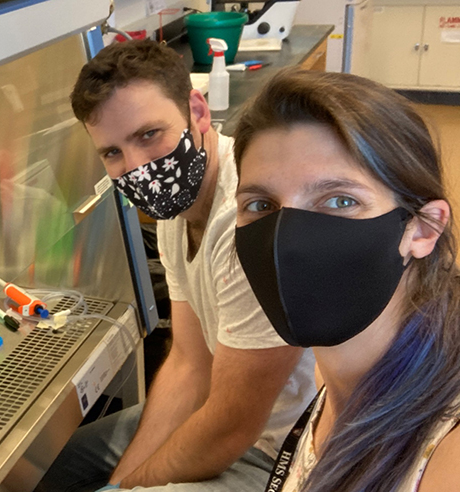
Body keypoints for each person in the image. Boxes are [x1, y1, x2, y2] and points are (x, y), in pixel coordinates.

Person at [36, 39, 316, 491]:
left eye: (149, 135)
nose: (138, 167)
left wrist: (127, 487)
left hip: (275, 448)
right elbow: (190, 362)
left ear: (197, 111)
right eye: (113, 153)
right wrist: (125, 482)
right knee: (44, 470)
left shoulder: (252, 220)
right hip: (211, 411)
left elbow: (232, 427)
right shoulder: (178, 209)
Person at [232, 69, 460, 491]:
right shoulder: (332, 374)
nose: (289, 240)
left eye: (340, 201)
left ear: (424, 229)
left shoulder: (449, 457)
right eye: (261, 204)